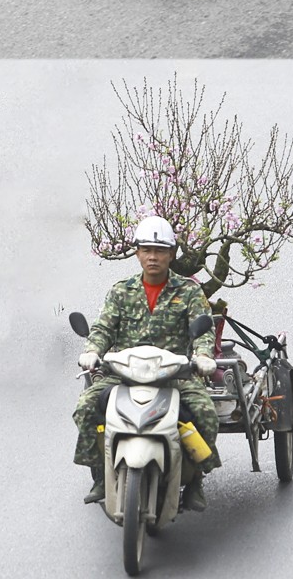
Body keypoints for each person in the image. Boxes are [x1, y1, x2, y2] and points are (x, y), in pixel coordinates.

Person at [72, 216, 221, 511]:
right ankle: (101, 475)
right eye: (147, 250)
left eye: (160, 250)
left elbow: (203, 332)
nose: (153, 257)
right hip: (124, 373)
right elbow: (102, 329)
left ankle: (195, 481)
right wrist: (91, 351)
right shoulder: (121, 291)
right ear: (137, 253)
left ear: (172, 253)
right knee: (86, 407)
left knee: (204, 413)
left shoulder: (189, 292)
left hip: (175, 374)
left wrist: (203, 357)